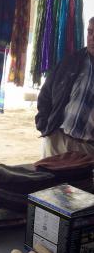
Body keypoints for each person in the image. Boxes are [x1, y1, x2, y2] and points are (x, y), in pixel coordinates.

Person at [35, 16, 94, 157]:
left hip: (89, 150)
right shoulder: (71, 61)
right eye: (90, 32)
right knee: (50, 179)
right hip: (58, 141)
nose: (92, 38)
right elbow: (46, 94)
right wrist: (46, 127)